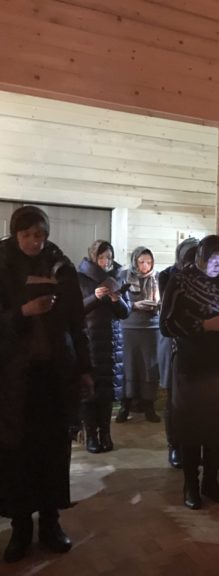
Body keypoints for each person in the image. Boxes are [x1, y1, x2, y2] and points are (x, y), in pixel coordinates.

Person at [0, 206, 93, 563]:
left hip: (55, 375)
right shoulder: (3, 266)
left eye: (39, 234)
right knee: (19, 454)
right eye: (26, 235)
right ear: (15, 235)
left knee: (53, 451)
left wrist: (84, 369)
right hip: (15, 379)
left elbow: (76, 324)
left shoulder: (61, 267)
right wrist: (23, 313)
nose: (34, 242)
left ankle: (51, 524)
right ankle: (21, 528)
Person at [160, 235, 219, 510]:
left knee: (217, 425)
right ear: (201, 257)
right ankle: (191, 485)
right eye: (214, 260)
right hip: (191, 363)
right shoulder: (180, 281)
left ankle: (210, 481)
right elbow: (166, 324)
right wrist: (206, 325)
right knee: (191, 426)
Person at [77, 240, 130, 453]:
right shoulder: (81, 278)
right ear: (93, 257)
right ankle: (91, 435)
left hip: (112, 342)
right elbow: (76, 309)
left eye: (109, 257)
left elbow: (125, 312)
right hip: (89, 339)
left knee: (107, 391)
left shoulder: (118, 277)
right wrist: (95, 297)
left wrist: (117, 300)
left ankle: (106, 434)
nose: (106, 261)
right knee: (91, 391)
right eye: (101, 257)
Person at [158, 237, 199, 469]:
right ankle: (174, 446)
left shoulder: (205, 277)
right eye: (188, 258)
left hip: (197, 342)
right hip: (173, 340)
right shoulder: (168, 275)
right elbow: (171, 310)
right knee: (174, 397)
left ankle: (192, 445)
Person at [118, 246, 162, 423]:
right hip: (128, 327)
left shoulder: (157, 278)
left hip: (152, 328)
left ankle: (149, 406)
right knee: (128, 366)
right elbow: (118, 301)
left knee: (149, 367)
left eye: (149, 262)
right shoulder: (124, 276)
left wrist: (156, 305)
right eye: (141, 261)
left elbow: (164, 300)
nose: (145, 265)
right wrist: (134, 305)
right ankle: (125, 406)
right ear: (134, 261)